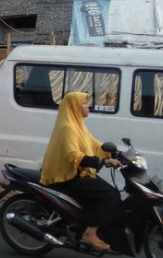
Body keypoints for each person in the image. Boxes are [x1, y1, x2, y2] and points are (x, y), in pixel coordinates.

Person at [40, 91, 124, 252]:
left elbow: (95, 145)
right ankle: (90, 233)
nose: (87, 106)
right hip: (69, 176)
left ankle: (91, 224)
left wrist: (117, 154)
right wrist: (103, 161)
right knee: (111, 196)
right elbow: (73, 155)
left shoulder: (78, 125)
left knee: (108, 194)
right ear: (74, 107)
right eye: (84, 104)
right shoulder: (68, 128)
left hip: (79, 173)